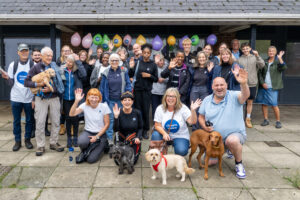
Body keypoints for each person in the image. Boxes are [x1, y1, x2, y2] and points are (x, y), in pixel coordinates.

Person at [199, 69, 250, 179]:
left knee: (232, 141)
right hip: (216, 139)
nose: (219, 87)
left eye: (222, 85)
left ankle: (239, 164)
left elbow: (245, 96)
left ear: (226, 85)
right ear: (212, 87)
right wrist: (204, 126)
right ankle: (227, 149)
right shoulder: (207, 100)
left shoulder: (234, 95)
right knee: (211, 162)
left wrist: (244, 83)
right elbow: (201, 117)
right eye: (216, 85)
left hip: (234, 134)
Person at [24, 46, 65, 156]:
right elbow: (26, 82)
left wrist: (53, 89)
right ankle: (41, 146)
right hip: (41, 99)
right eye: (48, 55)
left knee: (56, 122)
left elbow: (62, 83)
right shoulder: (36, 67)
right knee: (40, 123)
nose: (50, 57)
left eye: (51, 55)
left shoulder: (55, 66)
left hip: (55, 98)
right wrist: (39, 84)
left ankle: (54, 143)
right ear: (41, 56)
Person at [1, 43, 34, 151]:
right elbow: (11, 83)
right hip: (16, 98)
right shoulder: (13, 65)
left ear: (28, 52)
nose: (24, 52)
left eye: (26, 50)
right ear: (18, 52)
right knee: (16, 121)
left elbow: (36, 82)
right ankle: (17, 141)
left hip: (29, 98)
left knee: (29, 120)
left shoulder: (33, 64)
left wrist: (34, 98)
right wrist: (6, 78)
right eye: (22, 51)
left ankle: (27, 140)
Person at [151, 88, 201, 156]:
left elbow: (192, 122)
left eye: (173, 96)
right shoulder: (160, 108)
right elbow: (157, 125)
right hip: (165, 134)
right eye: (168, 96)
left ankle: (180, 148)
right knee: (155, 135)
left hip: (180, 135)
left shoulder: (183, 108)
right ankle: (158, 156)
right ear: (165, 97)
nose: (170, 98)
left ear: (177, 98)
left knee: (181, 151)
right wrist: (164, 134)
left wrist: (193, 110)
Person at [69, 88, 110, 163]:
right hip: (88, 132)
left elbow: (107, 124)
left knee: (91, 160)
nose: (94, 99)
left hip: (100, 134)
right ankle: (86, 150)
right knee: (81, 142)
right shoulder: (84, 105)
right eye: (92, 97)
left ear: (99, 98)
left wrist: (96, 136)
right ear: (88, 97)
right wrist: (76, 101)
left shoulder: (104, 106)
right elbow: (71, 114)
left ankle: (103, 144)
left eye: (96, 97)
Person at [100, 53, 132, 145]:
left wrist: (127, 96)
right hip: (110, 101)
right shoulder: (106, 72)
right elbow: (102, 88)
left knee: (123, 119)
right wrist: (103, 102)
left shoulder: (123, 71)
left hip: (122, 101)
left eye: (116, 60)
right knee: (110, 120)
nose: (114, 62)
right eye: (112, 60)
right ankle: (110, 139)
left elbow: (128, 84)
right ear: (109, 62)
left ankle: (122, 138)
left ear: (119, 61)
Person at [129, 43, 158, 139]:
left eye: (148, 53)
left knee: (146, 111)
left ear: (150, 54)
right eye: (144, 53)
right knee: (137, 111)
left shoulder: (153, 65)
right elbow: (131, 74)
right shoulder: (138, 63)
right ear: (142, 53)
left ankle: (146, 130)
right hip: (137, 91)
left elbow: (156, 79)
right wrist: (131, 67)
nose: (146, 54)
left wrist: (149, 76)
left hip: (147, 91)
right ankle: (139, 131)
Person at [256, 46, 287, 129]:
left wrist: (280, 58)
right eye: (269, 51)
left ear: (275, 52)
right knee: (264, 104)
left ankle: (278, 121)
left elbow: (284, 67)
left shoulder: (277, 62)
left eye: (273, 51)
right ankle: (266, 120)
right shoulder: (264, 62)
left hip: (273, 87)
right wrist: (262, 83)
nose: (271, 52)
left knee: (274, 104)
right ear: (268, 52)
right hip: (264, 86)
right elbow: (260, 74)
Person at [61, 54, 86, 147]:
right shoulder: (62, 70)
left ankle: (75, 138)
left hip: (76, 98)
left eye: (71, 62)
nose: (69, 63)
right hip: (66, 99)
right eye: (68, 61)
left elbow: (84, 75)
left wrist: (78, 61)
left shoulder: (77, 71)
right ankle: (69, 138)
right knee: (68, 118)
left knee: (75, 119)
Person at [238, 42, 265, 128]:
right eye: (243, 49)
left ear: (250, 49)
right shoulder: (239, 59)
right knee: (241, 102)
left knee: (250, 102)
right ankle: (239, 120)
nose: (245, 50)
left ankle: (248, 119)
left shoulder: (254, 58)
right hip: (242, 84)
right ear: (241, 50)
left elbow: (262, 65)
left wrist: (257, 56)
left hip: (252, 83)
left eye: (247, 48)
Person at [113, 91, 143, 164]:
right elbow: (115, 130)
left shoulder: (137, 113)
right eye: (125, 100)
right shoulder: (118, 112)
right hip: (121, 139)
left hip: (133, 139)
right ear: (121, 102)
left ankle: (136, 150)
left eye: (129, 100)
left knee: (132, 161)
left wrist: (138, 137)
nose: (127, 102)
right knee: (119, 162)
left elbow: (140, 127)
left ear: (132, 102)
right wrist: (116, 117)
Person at [57, 45, 73, 135]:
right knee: (62, 110)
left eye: (68, 50)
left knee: (71, 109)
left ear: (71, 51)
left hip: (70, 89)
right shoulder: (59, 61)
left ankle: (70, 126)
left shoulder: (73, 61)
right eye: (64, 51)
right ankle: (62, 126)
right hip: (61, 89)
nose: (66, 52)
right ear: (61, 52)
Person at [151, 53, 168, 119]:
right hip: (154, 92)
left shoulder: (167, 68)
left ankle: (163, 122)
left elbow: (169, 79)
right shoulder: (153, 67)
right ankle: (155, 123)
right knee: (155, 108)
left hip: (164, 92)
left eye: (162, 60)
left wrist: (164, 80)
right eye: (159, 61)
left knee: (163, 108)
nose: (161, 62)